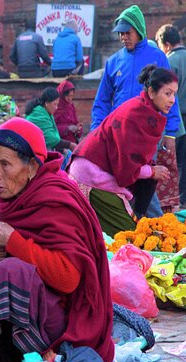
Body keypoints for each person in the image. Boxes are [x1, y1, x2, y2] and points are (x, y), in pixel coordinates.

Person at [0, 117, 114, 362]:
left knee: (9, 270)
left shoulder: (55, 198)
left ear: (32, 166)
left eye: (5, 165)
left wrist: (12, 242)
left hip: (58, 320)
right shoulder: (11, 193)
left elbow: (69, 278)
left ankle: (26, 355)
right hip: (25, 301)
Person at [91, 5, 182, 217]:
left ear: (139, 30)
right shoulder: (114, 61)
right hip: (118, 133)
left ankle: (151, 222)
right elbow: (102, 100)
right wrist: (97, 130)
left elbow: (170, 96)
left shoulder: (158, 57)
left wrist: (170, 132)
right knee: (129, 178)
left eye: (127, 32)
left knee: (142, 177)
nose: (124, 37)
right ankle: (145, 222)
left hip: (149, 132)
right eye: (121, 33)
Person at [67, 65, 177, 237]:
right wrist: (152, 171)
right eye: (167, 93)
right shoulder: (134, 114)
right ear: (151, 92)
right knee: (132, 237)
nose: (172, 100)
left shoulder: (146, 112)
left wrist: (151, 171)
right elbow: (124, 167)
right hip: (90, 176)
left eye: (174, 94)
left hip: (102, 173)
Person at [155, 23, 186, 209]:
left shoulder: (170, 61)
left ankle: (174, 198)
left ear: (166, 44)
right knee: (184, 157)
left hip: (174, 116)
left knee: (172, 159)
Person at [25, 87, 71, 154]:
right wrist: (70, 145)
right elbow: (50, 139)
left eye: (57, 105)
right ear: (46, 103)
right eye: (54, 104)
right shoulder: (38, 114)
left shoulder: (47, 113)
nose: (56, 108)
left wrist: (61, 150)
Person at [53, 80, 83, 147]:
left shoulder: (71, 107)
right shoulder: (54, 107)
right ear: (62, 95)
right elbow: (51, 128)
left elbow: (75, 122)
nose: (69, 99)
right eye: (67, 96)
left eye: (71, 96)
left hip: (73, 143)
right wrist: (67, 128)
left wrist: (78, 129)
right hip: (60, 144)